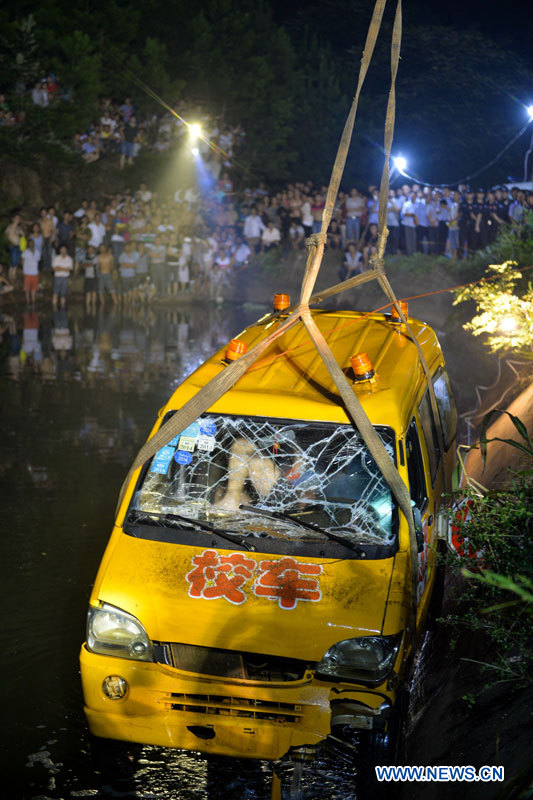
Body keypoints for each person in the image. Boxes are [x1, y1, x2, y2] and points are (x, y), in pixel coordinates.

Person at [52, 244, 73, 309]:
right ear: (60, 250)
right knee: (55, 293)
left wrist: (59, 267)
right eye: (62, 249)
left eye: (64, 249)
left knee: (63, 294)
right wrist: (64, 268)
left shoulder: (69, 259)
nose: (63, 250)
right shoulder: (56, 258)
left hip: (65, 278)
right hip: (57, 277)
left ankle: (62, 308)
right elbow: (54, 268)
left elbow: (69, 269)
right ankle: (54, 309)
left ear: (66, 250)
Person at [21, 238, 40, 305]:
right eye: (30, 243)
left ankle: (33, 302)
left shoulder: (37, 252)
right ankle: (28, 302)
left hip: (35, 273)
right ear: (28, 244)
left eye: (32, 243)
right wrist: (24, 270)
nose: (31, 244)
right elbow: (22, 262)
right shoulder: (25, 252)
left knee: (34, 289)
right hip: (27, 273)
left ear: (34, 244)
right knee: (27, 289)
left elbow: (38, 261)